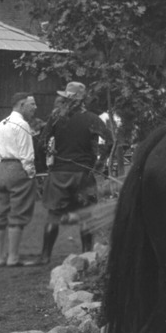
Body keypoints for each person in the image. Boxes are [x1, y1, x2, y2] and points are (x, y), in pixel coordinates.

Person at [39, 82, 112, 266]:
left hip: (59, 173)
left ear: (67, 98)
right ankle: (87, 255)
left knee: (54, 215)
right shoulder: (92, 119)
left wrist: (51, 151)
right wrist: (99, 164)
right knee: (85, 215)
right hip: (83, 173)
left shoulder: (56, 117)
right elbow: (110, 140)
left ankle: (45, 256)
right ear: (83, 99)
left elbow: (42, 142)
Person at [0, 94, 41, 266]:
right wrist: (31, 174)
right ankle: (13, 257)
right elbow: (27, 155)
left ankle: (0, 257)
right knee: (18, 212)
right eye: (32, 104)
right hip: (17, 169)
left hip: (0, 170)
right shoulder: (22, 125)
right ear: (21, 104)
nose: (35, 108)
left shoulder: (0, 125)